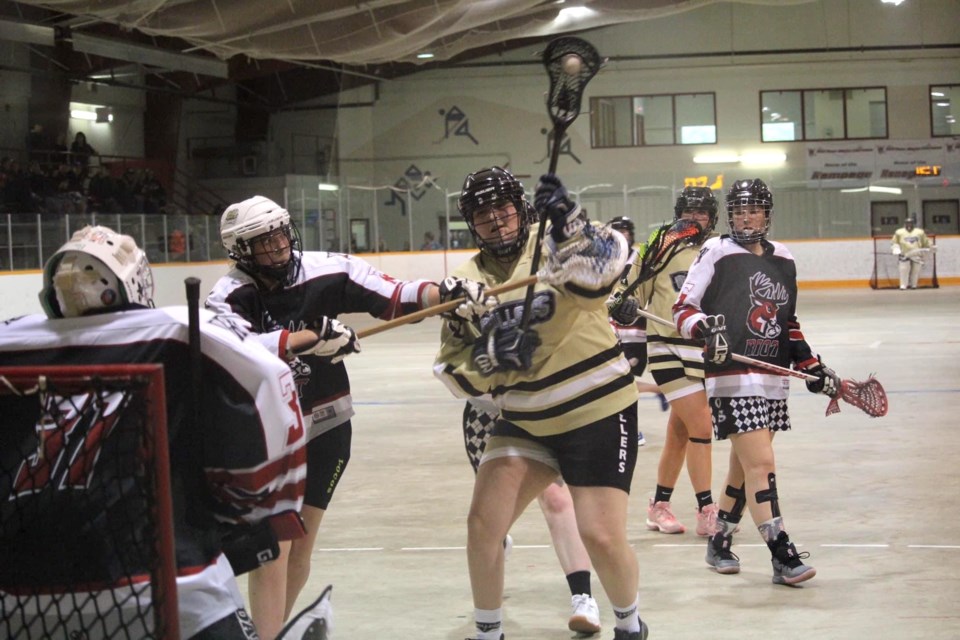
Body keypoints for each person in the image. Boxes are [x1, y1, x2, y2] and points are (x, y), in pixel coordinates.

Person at [0, 225, 308, 639]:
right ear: (135, 284)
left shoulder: (13, 340)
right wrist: (251, 511)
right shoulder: (180, 328)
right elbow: (270, 382)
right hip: (169, 586)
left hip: (19, 598)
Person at [206, 195, 482, 637]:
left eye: (280, 234)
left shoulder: (328, 267)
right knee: (275, 550)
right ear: (241, 250)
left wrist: (443, 293)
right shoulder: (229, 295)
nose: (278, 247)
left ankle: (270, 634)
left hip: (329, 425)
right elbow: (226, 350)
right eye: (264, 241)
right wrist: (309, 337)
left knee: (299, 548)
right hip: (272, 436)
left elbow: (395, 296)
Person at [435, 167, 649, 640]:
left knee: (600, 535)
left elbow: (613, 263)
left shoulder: (553, 239)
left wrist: (574, 225)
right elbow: (450, 368)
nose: (495, 220)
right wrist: (488, 360)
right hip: (527, 420)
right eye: (482, 214)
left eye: (503, 208)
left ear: (521, 207)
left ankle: (630, 625)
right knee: (483, 525)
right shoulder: (467, 280)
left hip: (596, 408)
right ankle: (489, 633)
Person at [674, 178, 839, 586]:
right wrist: (704, 331)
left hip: (771, 377)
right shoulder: (716, 251)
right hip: (731, 376)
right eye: (738, 210)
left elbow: (789, 323)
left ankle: (720, 540)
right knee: (762, 465)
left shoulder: (784, 258)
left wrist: (810, 364)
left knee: (743, 470)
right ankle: (780, 551)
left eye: (753, 209)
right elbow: (683, 308)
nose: (745, 217)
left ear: (767, 213)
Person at [629, 187, 720, 536]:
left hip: (702, 354)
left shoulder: (718, 250)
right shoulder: (658, 245)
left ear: (712, 218)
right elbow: (633, 293)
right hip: (666, 349)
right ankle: (707, 510)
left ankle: (658, 506)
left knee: (680, 430)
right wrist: (623, 303)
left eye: (702, 213)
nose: (695, 218)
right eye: (689, 211)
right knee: (701, 426)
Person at [607, 215, 668, 447]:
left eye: (625, 231)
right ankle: (656, 391)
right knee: (618, 382)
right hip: (613, 332)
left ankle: (632, 430)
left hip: (635, 336)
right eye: (617, 231)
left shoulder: (638, 261)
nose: (621, 236)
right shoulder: (607, 261)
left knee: (622, 383)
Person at [890, 214, 932, 290]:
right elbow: (894, 242)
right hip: (904, 254)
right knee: (903, 269)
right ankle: (903, 285)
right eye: (907, 223)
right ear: (905, 223)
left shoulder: (920, 232)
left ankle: (913, 284)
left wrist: (931, 246)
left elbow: (925, 242)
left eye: (910, 223)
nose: (909, 224)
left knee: (916, 270)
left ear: (913, 224)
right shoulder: (899, 232)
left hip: (916, 254)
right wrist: (896, 248)